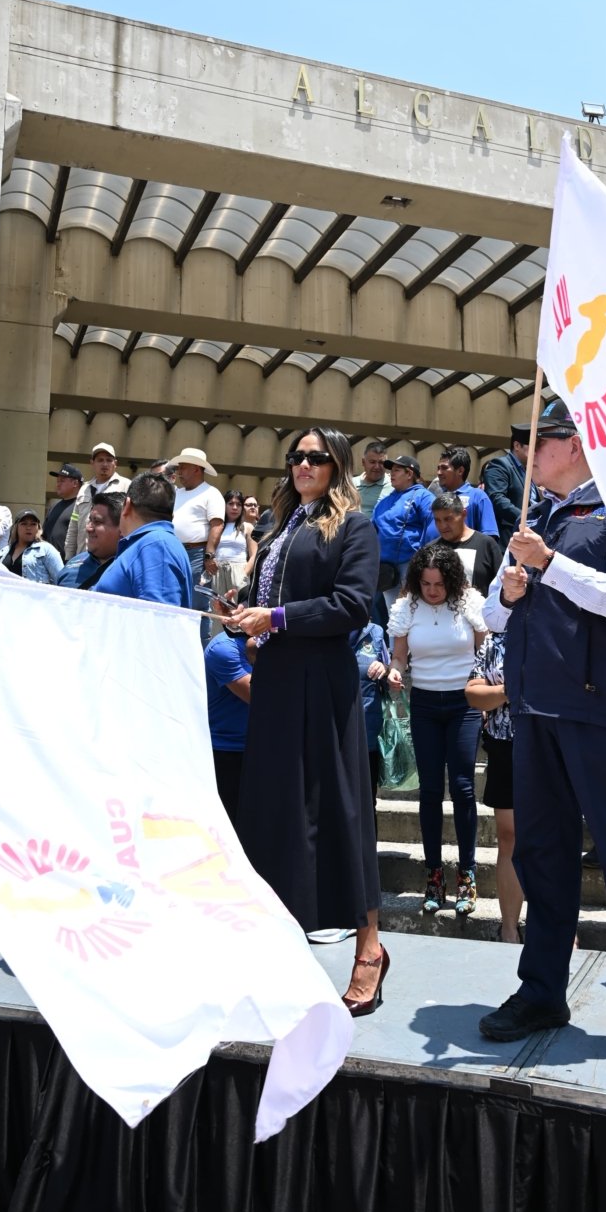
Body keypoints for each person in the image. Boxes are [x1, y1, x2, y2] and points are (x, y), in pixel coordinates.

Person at [478, 398, 606, 1077]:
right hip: (535, 712)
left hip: (599, 711)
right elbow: (490, 617)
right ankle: (541, 992)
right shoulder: (533, 522)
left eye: (542, 440)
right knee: (541, 856)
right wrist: (509, 592)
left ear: (579, 445)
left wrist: (551, 564)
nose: (528, 451)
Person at [229, 426, 386, 1016]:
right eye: (296, 456)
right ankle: (274, 951)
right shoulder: (280, 527)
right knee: (273, 816)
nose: (303, 465)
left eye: (316, 458)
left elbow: (352, 605)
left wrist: (274, 618)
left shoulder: (355, 526)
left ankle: (369, 949)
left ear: (337, 465)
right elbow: (271, 600)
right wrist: (247, 619)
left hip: (323, 684)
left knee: (341, 813)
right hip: (276, 682)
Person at [387, 543, 486, 916]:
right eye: (426, 583)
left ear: (452, 580)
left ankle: (467, 874)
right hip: (425, 703)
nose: (432, 590)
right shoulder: (406, 607)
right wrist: (395, 670)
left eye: (439, 584)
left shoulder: (469, 604)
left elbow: (484, 653)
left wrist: (485, 694)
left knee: (462, 787)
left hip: (465, 703)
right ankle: (433, 875)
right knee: (430, 790)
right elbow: (399, 656)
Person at [466, 631, 524, 944]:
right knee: (508, 837)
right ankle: (509, 928)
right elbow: (474, 693)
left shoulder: (559, 628)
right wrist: (508, 690)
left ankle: (561, 927)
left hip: (552, 743)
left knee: (553, 837)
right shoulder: (495, 641)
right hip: (505, 745)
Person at [93, 473, 193, 606]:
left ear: (127, 505)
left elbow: (158, 613)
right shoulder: (153, 544)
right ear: (171, 515)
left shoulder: (156, 546)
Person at [170, 447, 226, 640]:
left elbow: (217, 525)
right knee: (175, 601)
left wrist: (209, 555)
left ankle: (199, 648)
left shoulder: (211, 493)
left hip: (196, 555)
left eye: (183, 467)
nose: (179, 472)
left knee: (197, 605)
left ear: (196, 468)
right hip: (175, 552)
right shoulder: (177, 493)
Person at [372, 454, 435, 616]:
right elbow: (372, 531)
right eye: (391, 470)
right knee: (395, 616)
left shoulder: (424, 496)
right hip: (386, 570)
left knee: (415, 614)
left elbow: (433, 529)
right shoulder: (384, 501)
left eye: (397, 470)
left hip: (412, 566)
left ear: (409, 474)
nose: (391, 474)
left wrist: (424, 562)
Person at [203, 623, 254, 823]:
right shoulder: (224, 648)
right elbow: (260, 697)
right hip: (227, 751)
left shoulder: (272, 643)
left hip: (261, 747)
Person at [430, 493, 504, 597]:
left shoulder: (486, 545)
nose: (442, 526)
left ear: (463, 514)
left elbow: (501, 586)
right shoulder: (431, 550)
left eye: (448, 519)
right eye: (437, 520)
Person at [65, 444, 130, 560]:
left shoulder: (127, 486)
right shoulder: (84, 489)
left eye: (109, 460)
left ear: (115, 463)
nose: (105, 464)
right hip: (82, 559)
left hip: (112, 559)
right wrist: (69, 557)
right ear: (92, 463)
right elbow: (73, 525)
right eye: (100, 460)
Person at [422, 446, 498, 539]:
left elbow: (489, 538)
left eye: (444, 468)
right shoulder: (436, 499)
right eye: (438, 468)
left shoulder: (478, 497)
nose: (439, 472)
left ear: (460, 471)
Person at [352, 619, 389, 808]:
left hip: (368, 732)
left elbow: (390, 670)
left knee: (367, 802)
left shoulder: (376, 632)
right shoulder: (327, 629)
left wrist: (385, 669)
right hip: (332, 733)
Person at [481, 432, 537, 550]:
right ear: (517, 445)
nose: (536, 451)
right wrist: (525, 519)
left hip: (528, 538)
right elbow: (497, 498)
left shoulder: (530, 471)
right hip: (507, 539)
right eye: (532, 446)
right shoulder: (500, 465)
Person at [58, 492, 123, 589]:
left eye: (97, 522)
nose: (88, 528)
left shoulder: (135, 571)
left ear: (122, 528)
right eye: (90, 520)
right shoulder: (72, 564)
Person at [0, 510, 64, 584]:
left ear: (38, 528)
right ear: (16, 527)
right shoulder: (3, 551)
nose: (28, 528)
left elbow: (62, 580)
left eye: (33, 524)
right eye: (24, 524)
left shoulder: (46, 550)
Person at [214, 489, 257, 596]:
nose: (234, 507)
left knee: (237, 606)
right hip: (217, 572)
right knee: (217, 605)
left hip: (239, 572)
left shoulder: (248, 527)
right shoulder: (216, 527)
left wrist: (244, 575)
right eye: (231, 504)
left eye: (238, 504)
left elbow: (254, 555)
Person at [44, 463, 83, 556]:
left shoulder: (82, 507)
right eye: (57, 481)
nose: (58, 484)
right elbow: (43, 534)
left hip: (70, 561)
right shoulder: (54, 506)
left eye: (62, 481)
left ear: (75, 483)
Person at [353, 439, 391, 519]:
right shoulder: (350, 484)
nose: (377, 467)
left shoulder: (394, 486)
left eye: (381, 463)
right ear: (363, 462)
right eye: (372, 462)